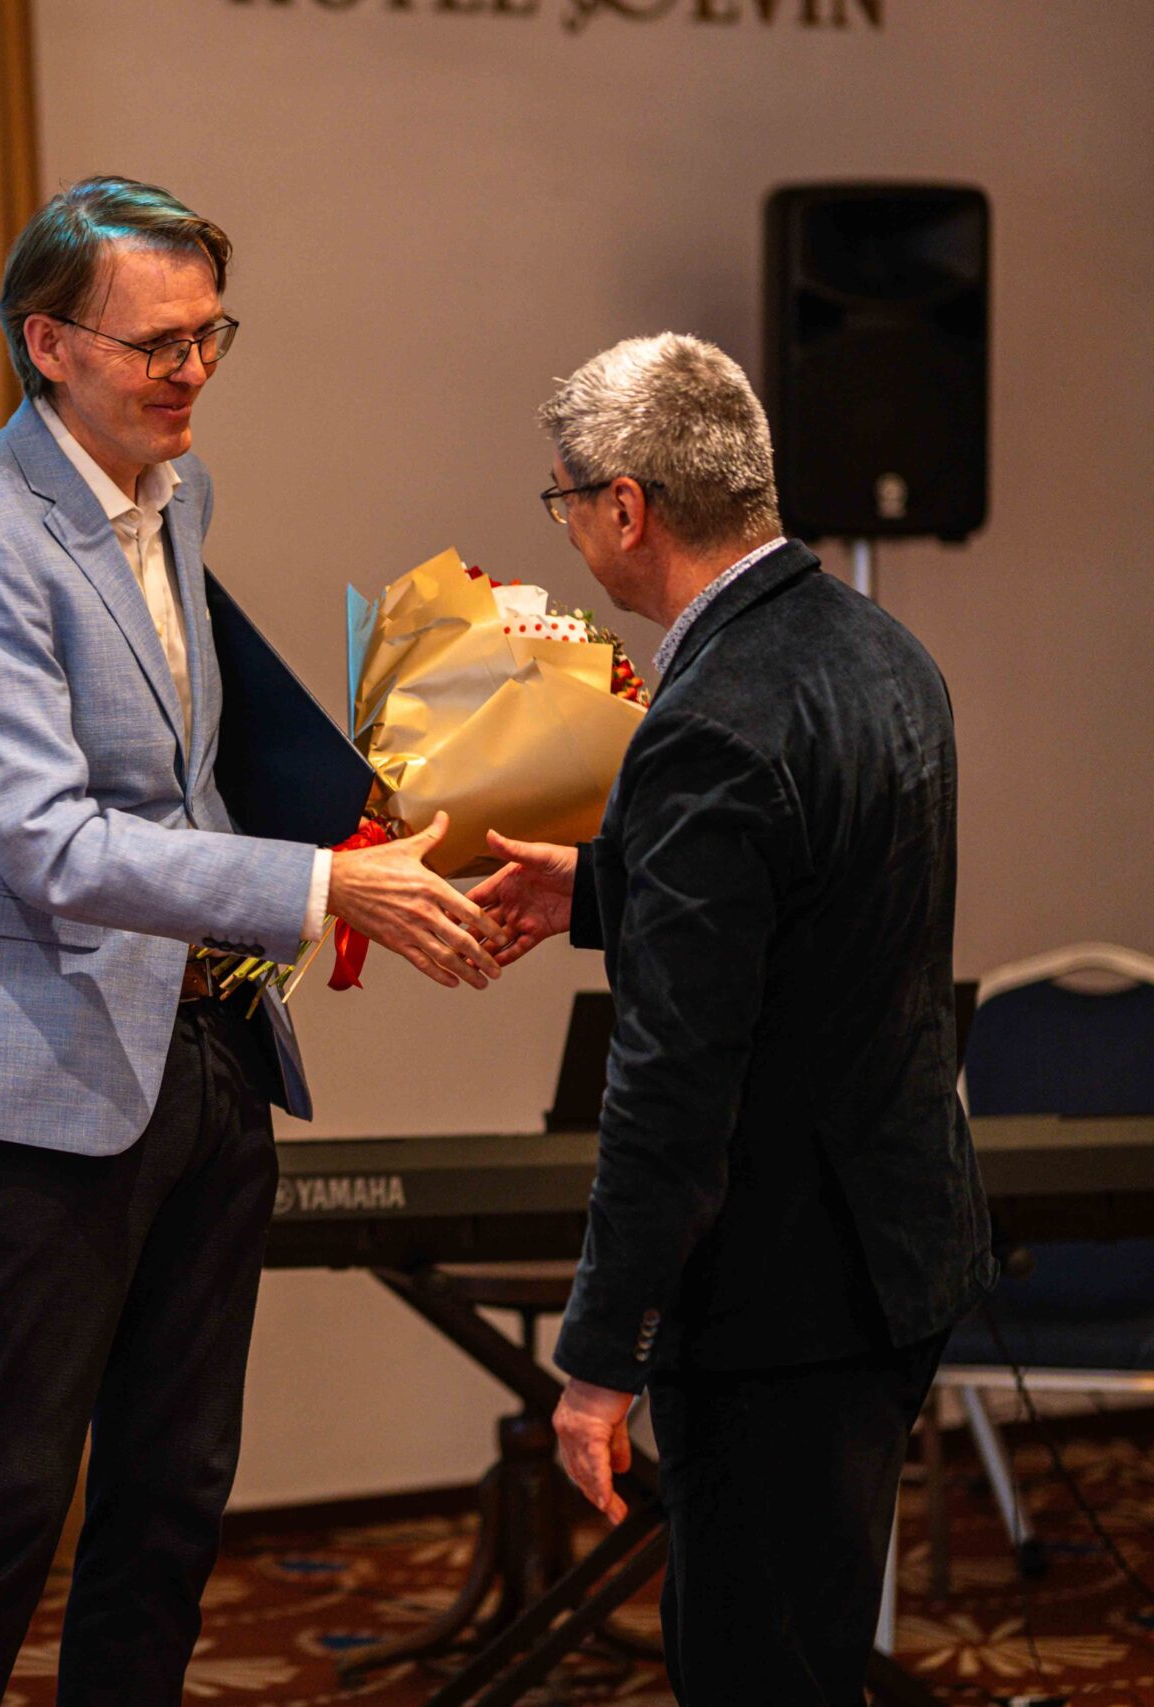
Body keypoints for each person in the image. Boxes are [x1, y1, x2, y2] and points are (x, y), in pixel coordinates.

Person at [0, 177, 503, 1707]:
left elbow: (185, 776)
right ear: (48, 344)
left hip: (211, 1049)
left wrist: (383, 827)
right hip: (34, 1083)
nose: (192, 369)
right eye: (155, 342)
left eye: (211, 333)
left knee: (173, 1496)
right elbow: (49, 846)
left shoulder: (178, 495)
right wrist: (318, 888)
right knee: (9, 1502)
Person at [474, 333, 994, 1705]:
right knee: (813, 1646)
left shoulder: (709, 719)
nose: (567, 527)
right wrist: (603, 887)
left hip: (780, 1297)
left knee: (757, 1671)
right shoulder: (880, 650)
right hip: (896, 1255)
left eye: (565, 500)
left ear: (626, 507)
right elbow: (820, 901)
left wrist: (598, 1360)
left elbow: (673, 1086)